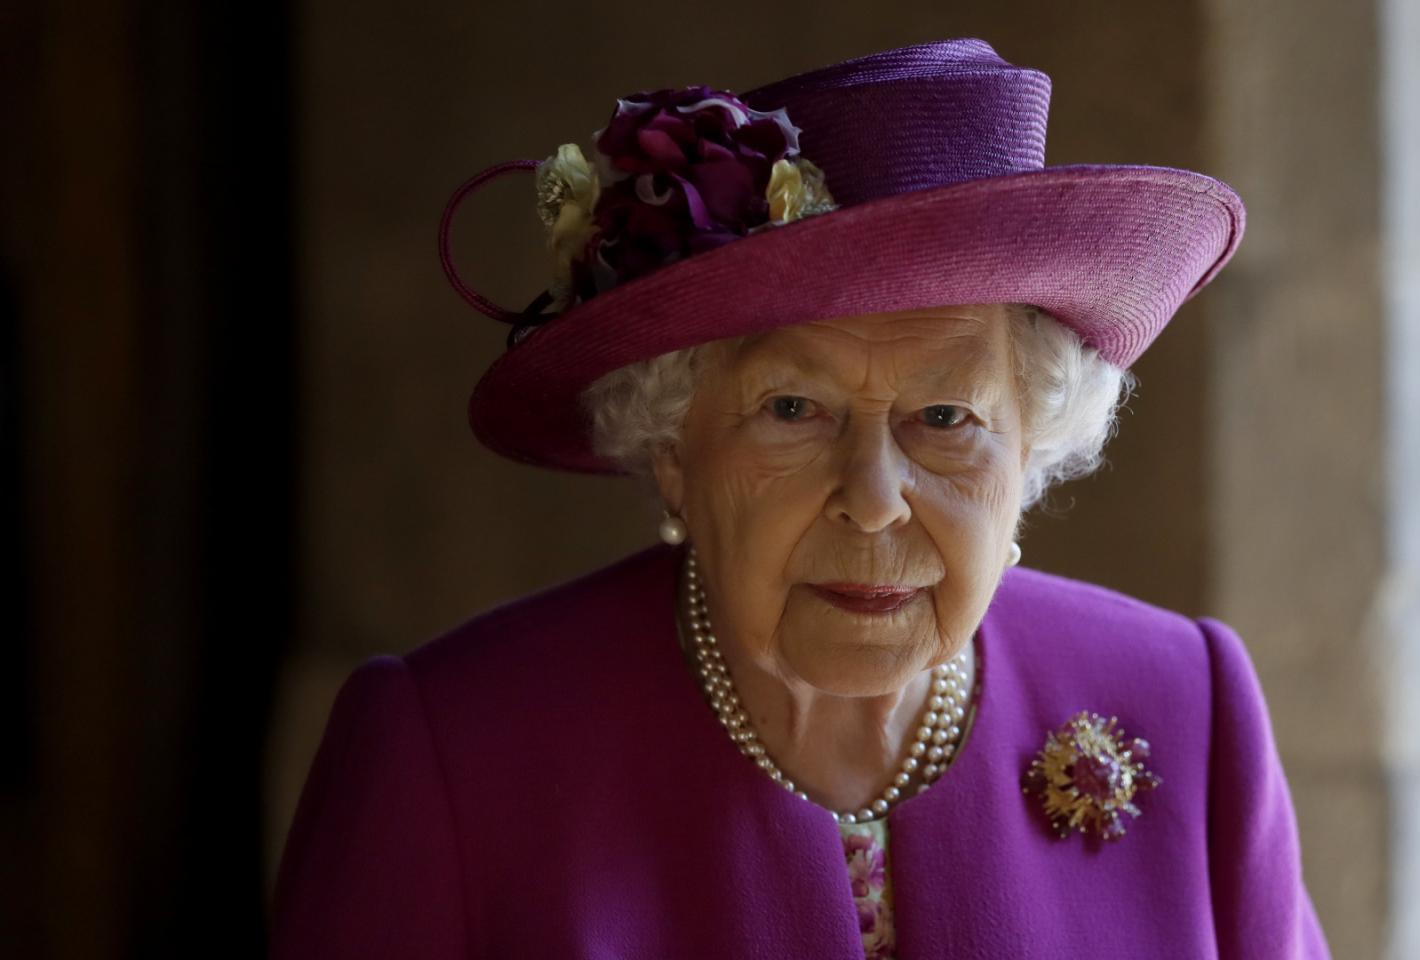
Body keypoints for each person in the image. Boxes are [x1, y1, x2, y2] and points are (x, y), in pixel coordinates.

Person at [269, 36, 1331, 959]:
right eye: (791, 409)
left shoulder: (1183, 707)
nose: (871, 501)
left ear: (1030, 448)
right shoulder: (452, 753)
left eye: (946, 419)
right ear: (673, 443)